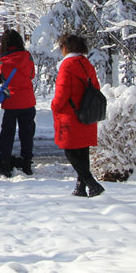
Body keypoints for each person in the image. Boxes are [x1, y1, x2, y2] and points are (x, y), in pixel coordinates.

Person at [51, 33, 105, 197]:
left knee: (71, 152)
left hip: (70, 116)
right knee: (83, 152)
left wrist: (54, 106)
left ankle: (92, 184)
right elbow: (96, 86)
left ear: (65, 48)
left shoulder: (67, 66)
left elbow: (62, 93)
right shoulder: (86, 63)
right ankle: (81, 187)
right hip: (87, 114)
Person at [0, 29, 37, 177]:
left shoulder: (2, 60)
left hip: (11, 102)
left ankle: (5, 164)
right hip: (28, 101)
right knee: (27, 134)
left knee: (7, 134)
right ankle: (27, 163)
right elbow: (32, 74)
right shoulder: (27, 57)